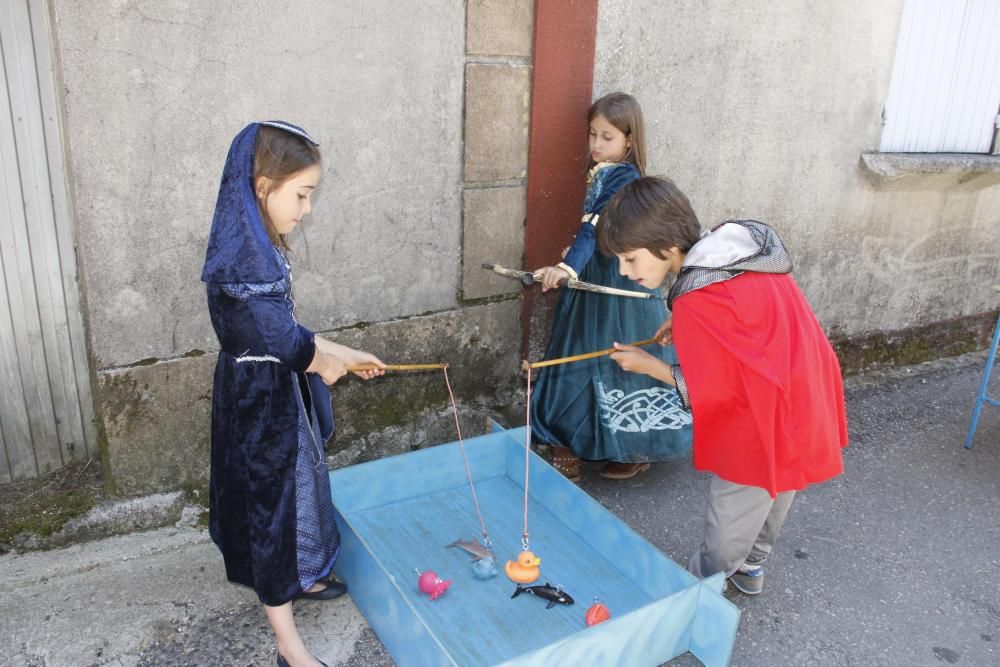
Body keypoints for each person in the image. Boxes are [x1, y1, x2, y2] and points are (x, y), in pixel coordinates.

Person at [600, 176, 848, 595]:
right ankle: (752, 564)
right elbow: (744, 319)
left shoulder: (698, 298)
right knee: (780, 482)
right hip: (805, 382)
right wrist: (683, 320)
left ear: (664, 244)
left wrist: (649, 366)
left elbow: (710, 389)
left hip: (762, 411)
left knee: (736, 505)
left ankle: (700, 589)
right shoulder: (729, 254)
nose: (626, 272)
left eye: (630, 259)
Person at [201, 121, 385, 667]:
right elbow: (283, 340)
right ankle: (289, 646)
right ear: (262, 186)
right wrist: (325, 363)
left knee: (299, 487)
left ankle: (299, 576)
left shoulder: (258, 247)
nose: (306, 209)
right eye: (301, 194)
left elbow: (289, 331)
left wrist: (346, 355)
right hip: (258, 404)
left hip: (277, 391)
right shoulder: (241, 263)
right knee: (271, 507)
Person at [530, 93, 692, 483]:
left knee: (616, 356)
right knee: (589, 355)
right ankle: (575, 439)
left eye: (607, 137)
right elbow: (593, 229)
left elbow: (591, 225)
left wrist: (567, 265)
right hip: (597, 277)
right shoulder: (606, 170)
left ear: (630, 140)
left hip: (621, 284)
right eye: (593, 135)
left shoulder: (624, 176)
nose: (597, 145)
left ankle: (631, 446)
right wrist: (576, 257)